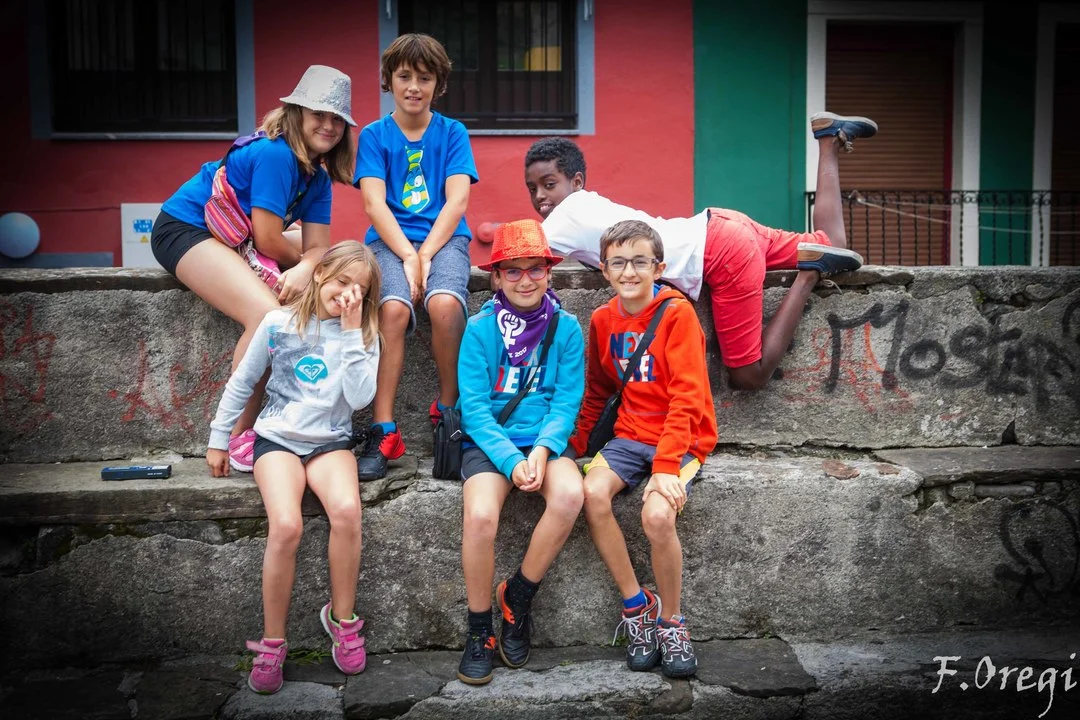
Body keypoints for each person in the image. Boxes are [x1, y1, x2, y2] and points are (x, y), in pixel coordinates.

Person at [517, 112, 875, 391]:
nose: (540, 197)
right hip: (721, 226)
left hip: (720, 252)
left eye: (549, 184)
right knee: (831, 242)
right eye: (532, 189)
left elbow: (516, 259)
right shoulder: (589, 205)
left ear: (577, 182)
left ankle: (809, 274)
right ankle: (828, 138)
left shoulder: (565, 216)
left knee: (748, 376)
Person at [152, 64, 357, 472]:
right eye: (319, 114)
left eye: (337, 119)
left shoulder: (317, 177)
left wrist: (308, 267)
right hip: (187, 228)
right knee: (266, 315)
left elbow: (318, 247)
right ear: (297, 112)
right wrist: (306, 266)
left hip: (238, 237)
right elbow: (267, 241)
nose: (329, 125)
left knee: (334, 260)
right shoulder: (276, 154)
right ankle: (238, 434)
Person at [205, 241, 381, 694]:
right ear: (320, 274)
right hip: (277, 440)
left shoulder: (363, 334)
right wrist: (218, 439)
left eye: (360, 289)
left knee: (347, 512)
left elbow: (360, 398)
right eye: (342, 281)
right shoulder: (277, 324)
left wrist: (350, 331)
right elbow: (242, 382)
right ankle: (272, 642)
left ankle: (342, 619)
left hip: (330, 442)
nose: (348, 293)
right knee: (286, 526)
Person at [570, 220, 717, 679]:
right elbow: (598, 390)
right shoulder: (602, 320)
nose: (629, 271)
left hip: (682, 438)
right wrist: (574, 447)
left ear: (659, 267)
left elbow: (688, 396)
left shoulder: (677, 315)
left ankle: (671, 622)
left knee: (656, 516)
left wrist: (667, 467)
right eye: (618, 262)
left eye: (639, 261)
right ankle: (637, 605)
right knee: (591, 494)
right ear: (604, 269)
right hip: (629, 435)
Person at [456, 220, 585, 685]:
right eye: (513, 270)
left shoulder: (566, 328)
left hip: (544, 440)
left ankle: (518, 597)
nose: (525, 280)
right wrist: (512, 461)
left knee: (570, 495)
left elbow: (566, 401)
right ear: (497, 278)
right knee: (480, 517)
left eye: (535, 269)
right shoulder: (479, 330)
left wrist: (544, 450)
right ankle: (479, 629)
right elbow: (474, 409)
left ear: (549, 273)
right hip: (491, 442)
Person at [353, 33, 479, 480]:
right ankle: (384, 428)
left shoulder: (452, 132)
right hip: (388, 243)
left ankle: (449, 409)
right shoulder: (374, 135)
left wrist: (425, 253)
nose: (413, 87)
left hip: (445, 241)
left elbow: (457, 201)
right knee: (392, 309)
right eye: (404, 76)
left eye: (424, 78)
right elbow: (373, 204)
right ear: (389, 80)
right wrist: (408, 255)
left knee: (444, 304)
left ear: (438, 84)